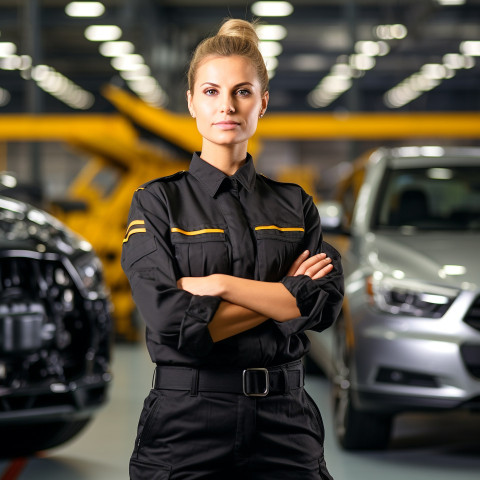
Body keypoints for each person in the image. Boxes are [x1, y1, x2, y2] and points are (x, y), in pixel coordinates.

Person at [121, 18, 344, 480]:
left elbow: (322, 305)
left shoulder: (295, 203)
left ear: (262, 103)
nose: (227, 106)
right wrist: (283, 295)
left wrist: (220, 285)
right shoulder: (158, 201)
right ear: (191, 103)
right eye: (211, 91)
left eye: (242, 92)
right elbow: (170, 320)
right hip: (186, 423)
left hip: (285, 423)